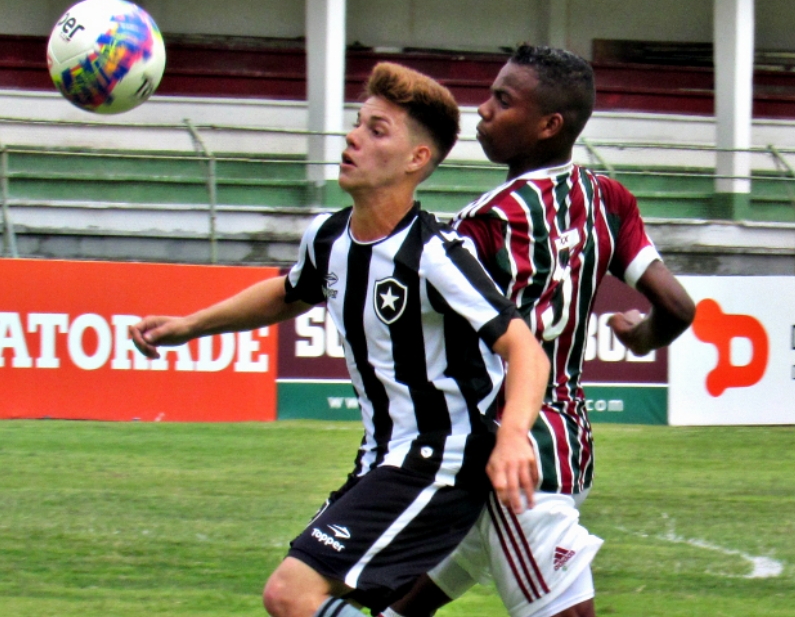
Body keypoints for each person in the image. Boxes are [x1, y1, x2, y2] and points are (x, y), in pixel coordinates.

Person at [130, 62, 550, 617]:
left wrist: (515, 433)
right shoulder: (329, 238)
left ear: (416, 159)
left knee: (291, 593)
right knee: (328, 603)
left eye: (377, 131)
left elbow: (525, 348)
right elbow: (288, 292)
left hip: (440, 460)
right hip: (382, 459)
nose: (353, 138)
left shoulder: (436, 255)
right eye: (358, 123)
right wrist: (188, 326)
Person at [382, 45, 696, 617]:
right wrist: (642, 336)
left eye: (503, 101)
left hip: (514, 447)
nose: (482, 110)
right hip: (546, 452)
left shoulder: (486, 221)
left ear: (549, 125)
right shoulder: (608, 201)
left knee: (405, 601)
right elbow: (677, 307)